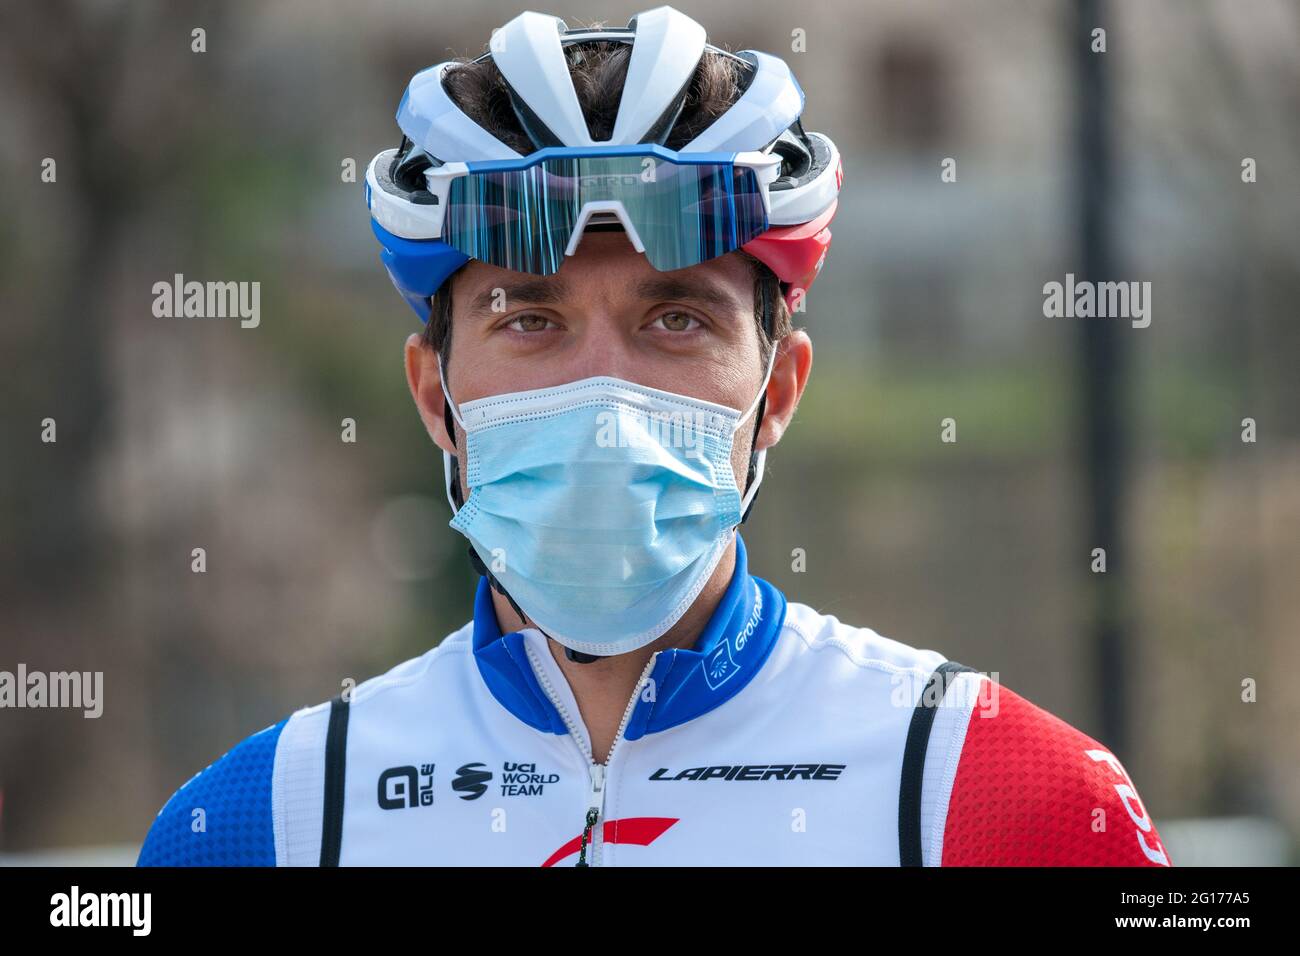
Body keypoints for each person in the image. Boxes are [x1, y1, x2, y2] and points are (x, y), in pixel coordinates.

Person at [138, 6, 1171, 867]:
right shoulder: (250, 829)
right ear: (431, 394)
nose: (604, 394)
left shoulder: (1009, 802)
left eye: (676, 318)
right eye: (529, 320)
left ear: (776, 392)